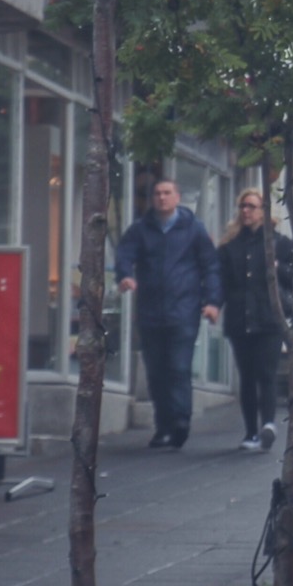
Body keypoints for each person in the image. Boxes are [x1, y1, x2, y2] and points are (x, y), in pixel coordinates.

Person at [116, 177, 222, 450]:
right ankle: (162, 426)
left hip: (183, 310)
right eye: (157, 193)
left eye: (167, 193)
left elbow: (210, 266)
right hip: (150, 312)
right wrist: (125, 276)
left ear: (177, 198)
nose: (162, 198)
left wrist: (212, 302)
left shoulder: (193, 229)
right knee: (156, 372)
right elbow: (124, 254)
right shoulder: (141, 229)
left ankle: (180, 422)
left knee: (178, 367)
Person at [215, 191, 293, 451]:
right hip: (240, 319)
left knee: (266, 373)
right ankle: (250, 433)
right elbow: (222, 282)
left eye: (251, 206)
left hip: (269, 318)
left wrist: (279, 267)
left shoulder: (280, 243)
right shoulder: (230, 245)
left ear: (263, 211)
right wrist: (214, 305)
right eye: (242, 206)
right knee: (246, 376)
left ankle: (268, 424)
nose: (245, 211)